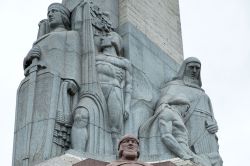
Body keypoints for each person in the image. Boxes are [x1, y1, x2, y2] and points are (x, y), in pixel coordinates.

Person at [158, 57, 223, 166]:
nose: (194, 71)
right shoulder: (174, 86)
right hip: (188, 128)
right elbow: (163, 103)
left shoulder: (204, 95)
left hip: (207, 135)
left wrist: (215, 125)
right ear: (184, 68)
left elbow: (212, 116)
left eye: (197, 68)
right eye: (191, 67)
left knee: (216, 160)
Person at [96, 31, 132, 150]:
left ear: (115, 41)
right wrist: (109, 70)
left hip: (114, 91)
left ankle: (116, 153)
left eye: (107, 36)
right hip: (96, 90)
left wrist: (126, 106)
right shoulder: (96, 57)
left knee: (115, 128)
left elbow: (129, 86)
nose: (102, 38)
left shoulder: (124, 62)